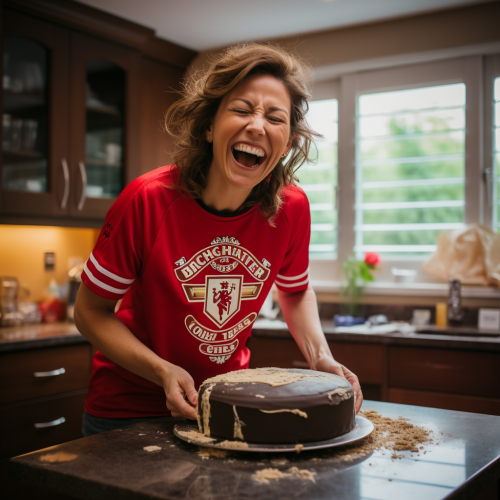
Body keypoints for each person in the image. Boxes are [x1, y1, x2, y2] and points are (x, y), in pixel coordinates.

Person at [75, 43, 363, 437]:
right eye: (242, 110)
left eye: (275, 118)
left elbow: (295, 292)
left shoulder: (291, 207)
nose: (257, 126)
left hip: (224, 403)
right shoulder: (148, 199)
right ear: (209, 126)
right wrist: (162, 371)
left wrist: (322, 357)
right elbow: (90, 311)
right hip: (128, 409)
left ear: (289, 142)